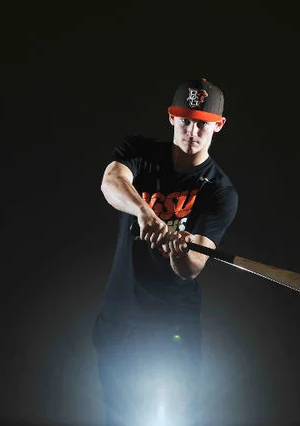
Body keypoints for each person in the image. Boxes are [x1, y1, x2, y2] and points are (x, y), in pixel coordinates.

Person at [92, 77, 239, 426]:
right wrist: (145, 213)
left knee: (175, 416)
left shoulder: (220, 192)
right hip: (119, 317)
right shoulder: (141, 153)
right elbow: (111, 182)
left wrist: (178, 251)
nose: (192, 132)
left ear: (218, 126)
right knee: (118, 417)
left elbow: (192, 267)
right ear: (172, 117)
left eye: (202, 124)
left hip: (173, 324)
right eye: (185, 121)